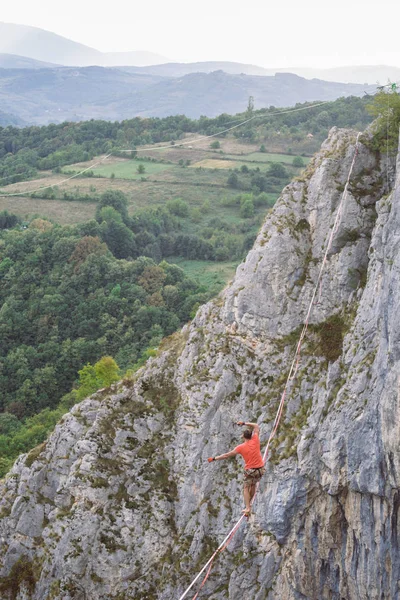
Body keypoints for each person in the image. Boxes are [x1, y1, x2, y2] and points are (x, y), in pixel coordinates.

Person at [207, 421, 265, 516]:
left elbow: (226, 455)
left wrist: (214, 458)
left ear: (243, 436)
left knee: (246, 487)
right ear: (251, 435)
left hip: (251, 470)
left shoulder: (240, 447)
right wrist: (244, 423)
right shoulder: (255, 439)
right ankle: (249, 504)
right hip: (260, 469)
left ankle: (247, 508)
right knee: (253, 485)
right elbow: (256, 426)